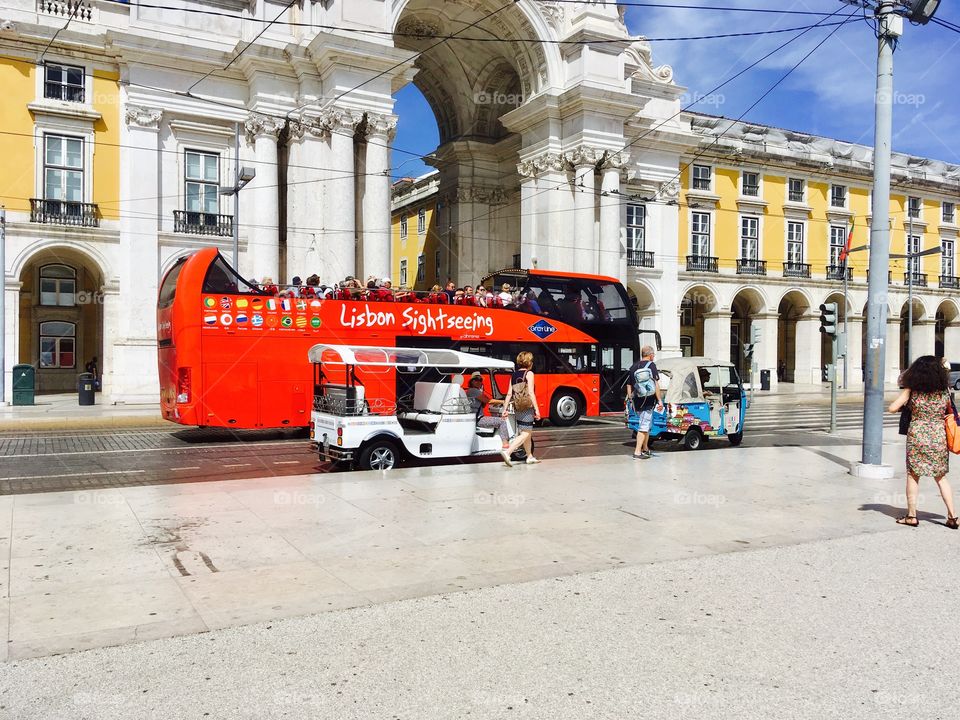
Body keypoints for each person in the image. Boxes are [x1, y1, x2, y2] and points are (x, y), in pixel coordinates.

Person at [888, 355, 958, 529]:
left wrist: (908, 405)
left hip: (917, 435)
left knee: (913, 475)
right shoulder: (945, 391)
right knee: (941, 477)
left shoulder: (912, 390)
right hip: (938, 435)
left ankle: (912, 516)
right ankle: (952, 517)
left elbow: (892, 408)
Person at [500, 351, 540, 466]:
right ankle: (508, 452)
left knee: (526, 432)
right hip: (527, 407)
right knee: (526, 433)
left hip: (517, 407)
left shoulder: (513, 375)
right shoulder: (529, 374)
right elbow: (531, 393)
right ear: (529, 362)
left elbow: (508, 394)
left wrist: (505, 409)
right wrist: (537, 409)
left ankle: (529, 456)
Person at [626, 345, 663, 459]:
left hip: (637, 400)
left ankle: (645, 448)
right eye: (653, 355)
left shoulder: (633, 367)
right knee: (643, 426)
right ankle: (637, 452)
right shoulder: (651, 366)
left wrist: (630, 399)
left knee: (646, 425)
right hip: (648, 400)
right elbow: (656, 384)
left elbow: (629, 384)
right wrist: (660, 400)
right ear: (650, 355)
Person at [465, 372, 510, 449]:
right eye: (476, 379)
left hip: (475, 419)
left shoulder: (473, 391)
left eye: (480, 380)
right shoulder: (473, 391)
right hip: (478, 420)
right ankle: (506, 444)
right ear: (472, 381)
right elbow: (488, 401)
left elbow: (483, 404)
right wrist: (504, 401)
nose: (479, 381)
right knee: (502, 421)